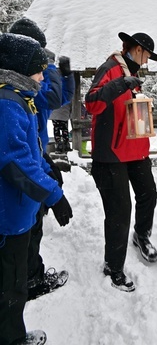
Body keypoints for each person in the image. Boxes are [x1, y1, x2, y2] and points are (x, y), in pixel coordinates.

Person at [0, 33, 72, 345]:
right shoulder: (7, 104)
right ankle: (12, 339)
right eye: (38, 69)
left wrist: (49, 177)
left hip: (18, 211)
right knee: (10, 286)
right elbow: (15, 162)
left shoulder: (19, 98)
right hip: (8, 216)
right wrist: (54, 195)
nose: (43, 75)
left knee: (14, 280)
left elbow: (31, 152)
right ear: (20, 68)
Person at [85, 32, 157, 292]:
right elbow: (92, 103)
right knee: (119, 211)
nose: (147, 60)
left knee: (149, 194)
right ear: (135, 49)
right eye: (146, 55)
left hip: (136, 150)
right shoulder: (110, 68)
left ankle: (141, 235)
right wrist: (120, 84)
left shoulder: (133, 73)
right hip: (111, 155)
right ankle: (113, 267)